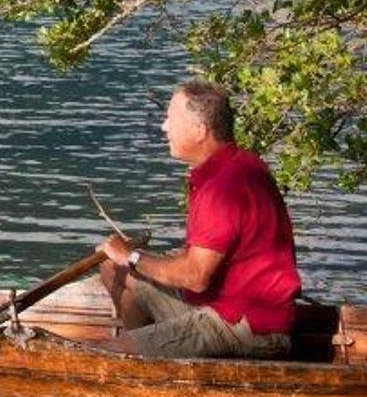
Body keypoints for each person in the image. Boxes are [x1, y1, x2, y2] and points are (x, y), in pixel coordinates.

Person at [98, 80, 302, 359]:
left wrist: (131, 256)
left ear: (199, 130)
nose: (164, 127)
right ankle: (154, 353)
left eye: (171, 119)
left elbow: (195, 277)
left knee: (108, 355)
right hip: (220, 308)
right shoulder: (241, 163)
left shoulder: (224, 186)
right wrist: (126, 260)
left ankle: (140, 355)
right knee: (114, 268)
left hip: (243, 328)